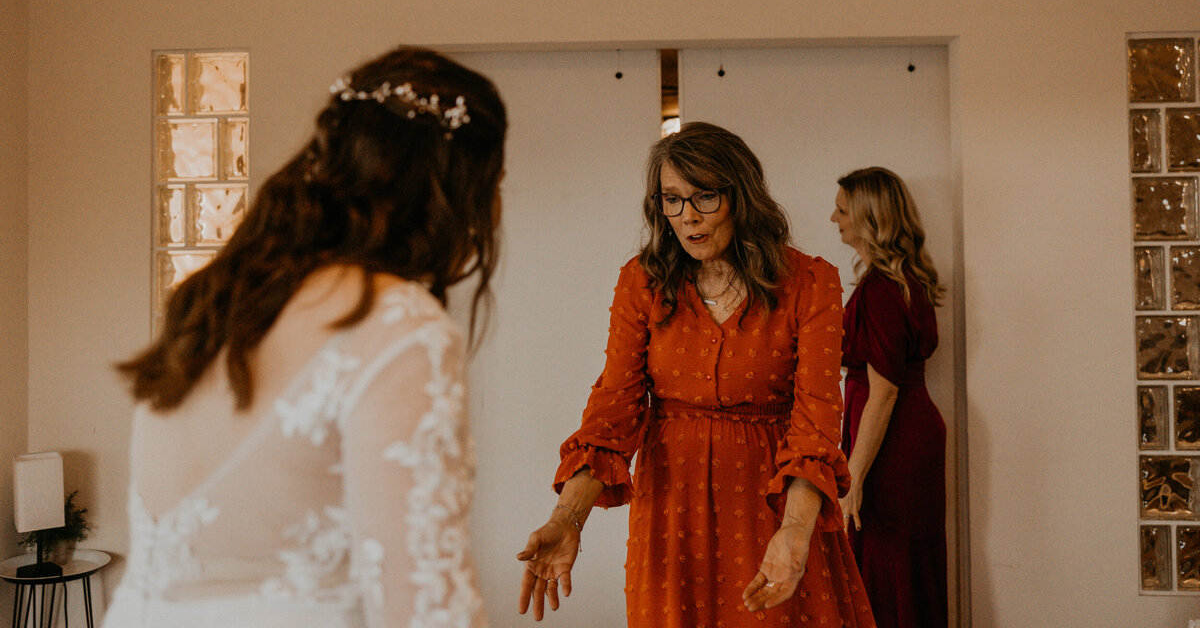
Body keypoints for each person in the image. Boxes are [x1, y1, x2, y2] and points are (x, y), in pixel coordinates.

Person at [104, 47, 506, 628]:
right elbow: (426, 612)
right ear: (454, 190)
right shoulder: (397, 326)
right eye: (493, 182)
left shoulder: (215, 302)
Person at [517, 122, 875, 628]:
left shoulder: (809, 282)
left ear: (741, 196)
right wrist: (567, 518)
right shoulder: (642, 281)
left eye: (705, 197)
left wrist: (796, 530)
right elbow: (613, 411)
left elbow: (816, 420)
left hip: (774, 507)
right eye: (672, 200)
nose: (688, 217)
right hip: (671, 510)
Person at [831, 167, 947, 628]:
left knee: (889, 562)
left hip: (893, 442)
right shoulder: (895, 282)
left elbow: (883, 393)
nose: (833, 217)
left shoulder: (882, 290)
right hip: (900, 434)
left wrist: (853, 479)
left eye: (842, 210)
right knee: (897, 563)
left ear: (867, 217)